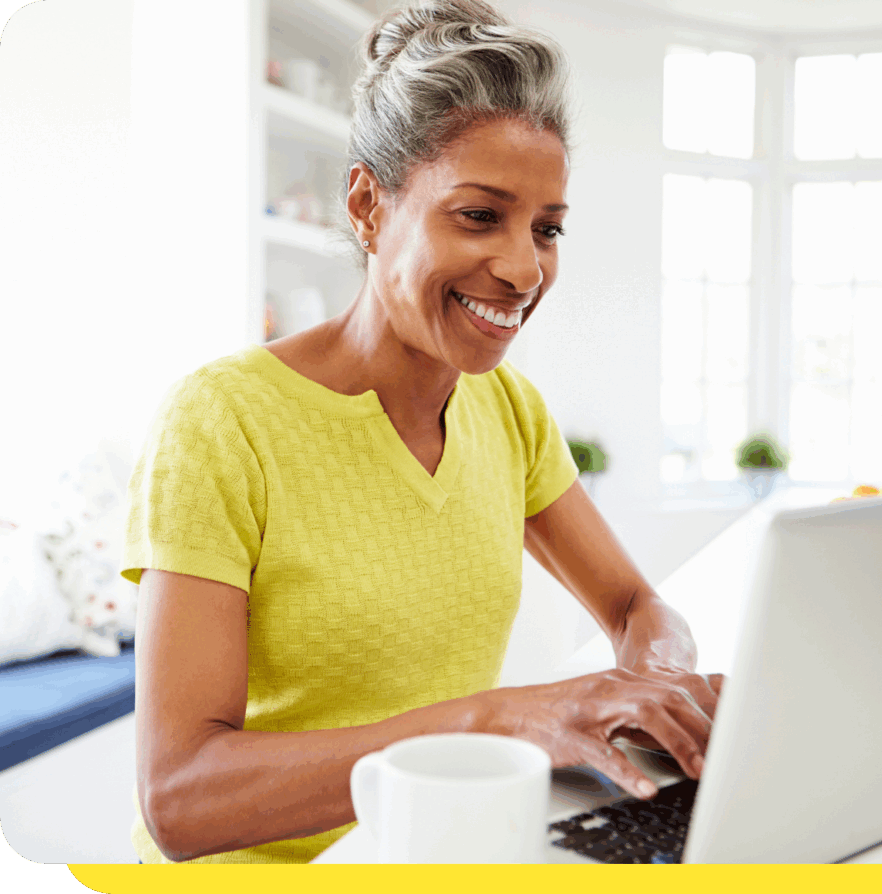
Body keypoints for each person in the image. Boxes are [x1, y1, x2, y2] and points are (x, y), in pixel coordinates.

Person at [121, 0, 722, 864]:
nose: (523, 269)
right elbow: (180, 798)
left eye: (547, 228)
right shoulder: (222, 422)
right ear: (369, 203)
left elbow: (635, 605)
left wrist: (656, 685)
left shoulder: (508, 411)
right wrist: (499, 719)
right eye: (479, 215)